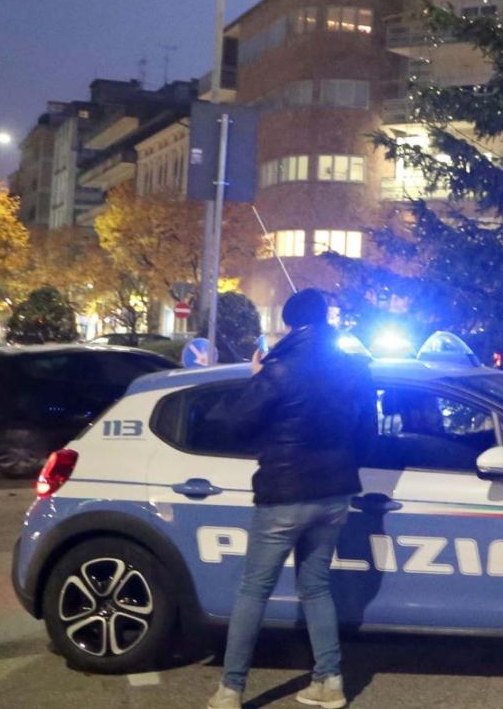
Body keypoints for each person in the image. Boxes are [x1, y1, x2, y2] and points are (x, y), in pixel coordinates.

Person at [208, 289, 374, 709]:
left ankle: (230, 690)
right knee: (316, 587)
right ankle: (329, 682)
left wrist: (256, 376)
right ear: (326, 318)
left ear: (288, 323)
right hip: (334, 492)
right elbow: (367, 431)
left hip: (283, 492)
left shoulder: (278, 369)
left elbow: (235, 422)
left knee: (254, 591)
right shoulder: (351, 367)